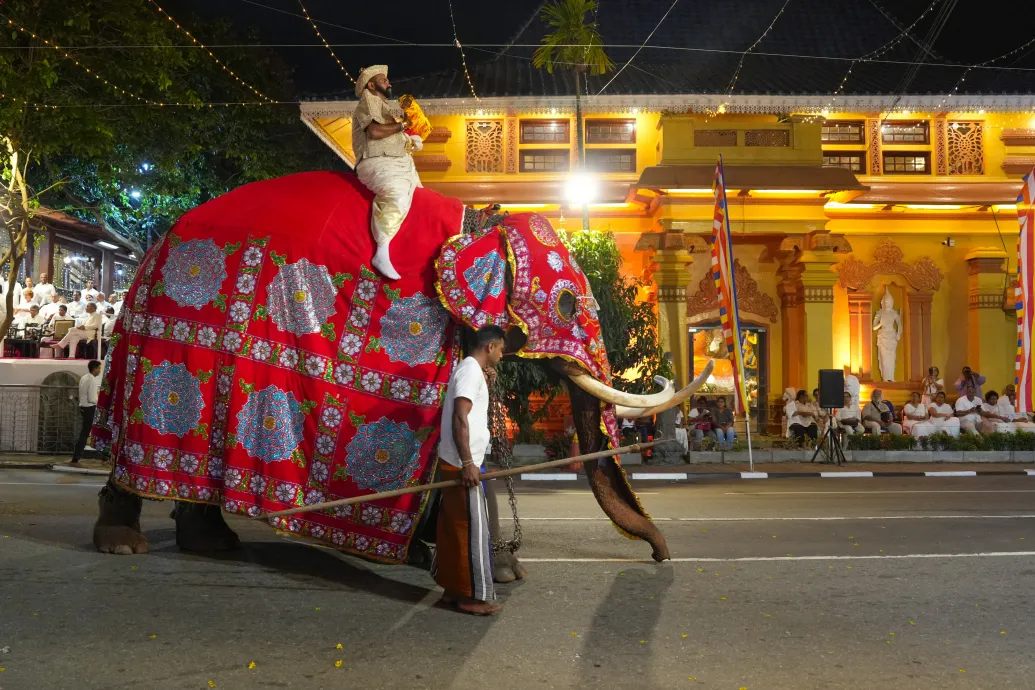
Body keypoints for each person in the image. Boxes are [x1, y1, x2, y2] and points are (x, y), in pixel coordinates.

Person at [432, 325, 505, 616]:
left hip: (461, 460)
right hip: (463, 463)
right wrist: (467, 464)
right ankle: (471, 597)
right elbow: (460, 418)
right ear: (490, 347)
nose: (501, 354)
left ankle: (452, 590)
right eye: (501, 348)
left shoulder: (472, 371)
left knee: (453, 528)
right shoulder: (470, 370)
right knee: (470, 530)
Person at [351, 65, 423, 281]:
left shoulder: (383, 108)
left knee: (422, 199)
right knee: (398, 197)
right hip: (377, 162)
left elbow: (391, 136)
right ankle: (381, 252)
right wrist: (403, 126)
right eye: (384, 80)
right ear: (371, 85)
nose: (389, 84)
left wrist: (410, 140)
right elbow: (374, 132)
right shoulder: (368, 101)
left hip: (401, 163)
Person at [72, 360, 103, 464]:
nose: (99, 370)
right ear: (94, 369)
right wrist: (100, 401)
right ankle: (76, 456)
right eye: (99, 368)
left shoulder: (84, 377)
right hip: (89, 408)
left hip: (83, 407)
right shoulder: (92, 380)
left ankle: (77, 456)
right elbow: (92, 398)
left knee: (84, 432)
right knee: (85, 433)